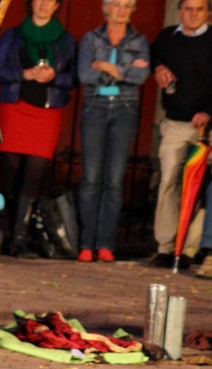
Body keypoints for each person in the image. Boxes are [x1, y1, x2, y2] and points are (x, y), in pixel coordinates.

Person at [0, 0, 77, 257]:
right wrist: (23, 74)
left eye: (49, 0)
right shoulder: (13, 35)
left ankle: (18, 237)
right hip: (15, 109)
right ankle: (1, 232)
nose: (43, 4)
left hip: (46, 113)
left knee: (35, 173)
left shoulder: (66, 40)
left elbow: (73, 77)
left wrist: (54, 78)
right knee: (10, 170)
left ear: (57, 5)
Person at [76, 0, 149, 263]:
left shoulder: (139, 41)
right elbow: (84, 74)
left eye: (127, 5)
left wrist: (106, 67)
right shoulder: (90, 38)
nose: (121, 10)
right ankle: (86, 244)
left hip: (125, 109)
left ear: (133, 10)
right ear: (105, 8)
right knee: (92, 178)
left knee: (115, 180)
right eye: (116, 4)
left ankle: (105, 244)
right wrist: (126, 71)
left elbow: (142, 78)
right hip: (94, 106)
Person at [149, 0, 212, 268]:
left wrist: (209, 112)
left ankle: (189, 248)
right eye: (188, 8)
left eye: (199, 8)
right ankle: (166, 246)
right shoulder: (167, 37)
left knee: (204, 188)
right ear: (180, 11)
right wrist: (158, 68)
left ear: (208, 12)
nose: (193, 13)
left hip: (206, 127)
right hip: (175, 122)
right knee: (169, 182)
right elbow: (154, 55)